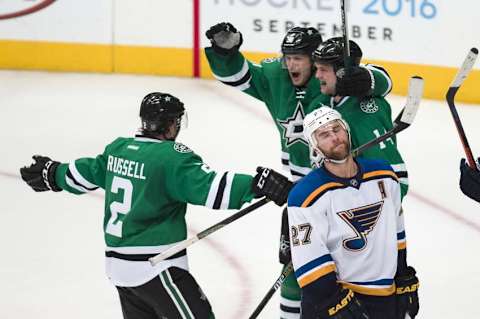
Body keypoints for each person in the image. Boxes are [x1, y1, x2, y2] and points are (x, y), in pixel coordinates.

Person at [19, 92, 292, 319]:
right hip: (155, 267)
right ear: (171, 124)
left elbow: (86, 172)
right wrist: (257, 184)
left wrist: (53, 173)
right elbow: (209, 188)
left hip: (119, 270)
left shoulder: (119, 150)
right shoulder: (170, 158)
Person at [205, 22, 393, 318]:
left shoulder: (333, 83)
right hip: (301, 197)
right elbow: (238, 76)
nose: (290, 64)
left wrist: (365, 78)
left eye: (298, 58)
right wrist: (225, 51)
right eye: (287, 57)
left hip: (339, 195)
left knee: (339, 272)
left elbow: (381, 82)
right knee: (294, 276)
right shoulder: (276, 77)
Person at [288, 106, 419, 319]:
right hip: (335, 302)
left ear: (347, 131)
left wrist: (402, 274)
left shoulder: (384, 174)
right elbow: (308, 259)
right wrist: (332, 302)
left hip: (384, 295)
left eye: (336, 129)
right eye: (324, 134)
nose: (334, 137)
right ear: (315, 147)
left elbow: (397, 232)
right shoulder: (305, 195)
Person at [309, 37, 409, 198]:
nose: (317, 75)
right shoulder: (318, 105)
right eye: (317, 69)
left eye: (323, 70)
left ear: (342, 73)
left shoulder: (367, 112)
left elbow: (397, 179)